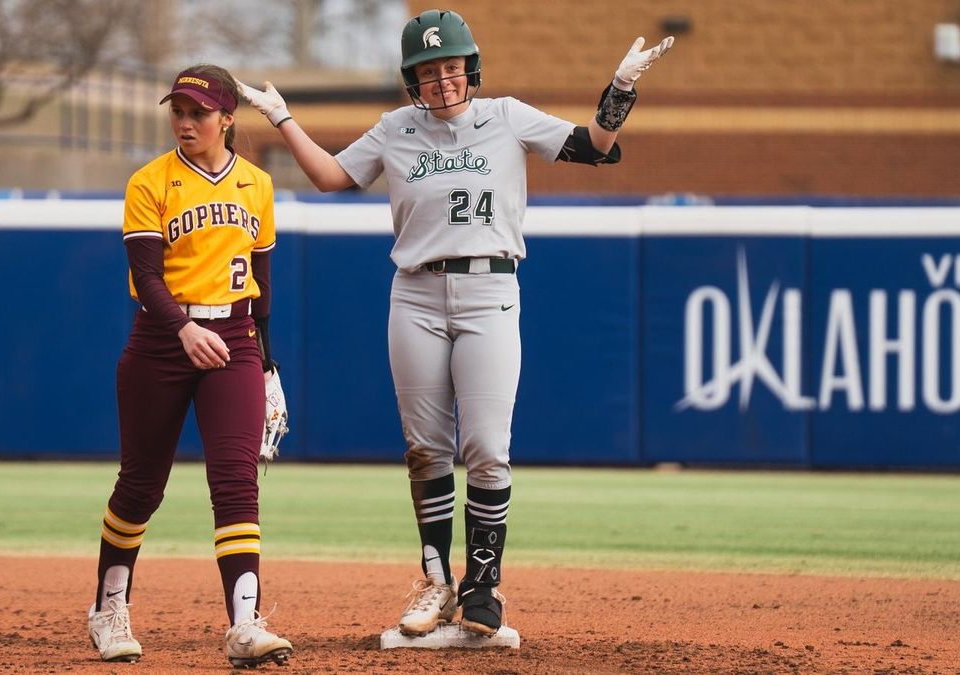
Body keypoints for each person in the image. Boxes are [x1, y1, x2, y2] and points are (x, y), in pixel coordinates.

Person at [239, 9, 673, 638]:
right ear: (411, 80)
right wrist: (283, 118)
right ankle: (436, 581)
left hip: (490, 289)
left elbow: (594, 147)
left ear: (470, 69)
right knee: (425, 448)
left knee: (488, 448)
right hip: (415, 294)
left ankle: (483, 585)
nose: (442, 79)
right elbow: (332, 176)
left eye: (451, 67)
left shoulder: (506, 116)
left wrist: (620, 89)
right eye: (428, 70)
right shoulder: (395, 129)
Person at [86, 64, 293, 668]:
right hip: (161, 339)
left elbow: (263, 282)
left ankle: (245, 624)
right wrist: (182, 328)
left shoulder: (256, 183)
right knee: (141, 485)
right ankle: (109, 609)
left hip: (234, 338)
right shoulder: (150, 182)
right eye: (178, 110)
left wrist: (267, 361)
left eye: (199, 112)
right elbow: (147, 276)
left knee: (236, 481)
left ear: (227, 118)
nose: (185, 121)